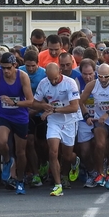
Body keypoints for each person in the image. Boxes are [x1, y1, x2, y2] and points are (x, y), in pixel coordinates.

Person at [0, 53, 35, 191]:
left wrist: (14, 102)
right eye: (3, 68)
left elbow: (30, 101)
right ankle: (6, 160)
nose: (5, 71)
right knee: (1, 141)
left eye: (8, 68)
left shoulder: (22, 77)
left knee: (20, 152)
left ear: (14, 66)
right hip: (3, 115)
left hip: (19, 117)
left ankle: (20, 179)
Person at [32, 62, 82, 196]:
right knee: (53, 152)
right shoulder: (43, 83)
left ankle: (74, 160)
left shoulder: (70, 83)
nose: (53, 81)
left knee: (67, 155)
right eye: (50, 79)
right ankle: (58, 185)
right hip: (53, 121)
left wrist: (53, 109)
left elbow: (74, 107)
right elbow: (35, 102)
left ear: (60, 72)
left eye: (55, 78)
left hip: (70, 121)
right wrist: (44, 106)